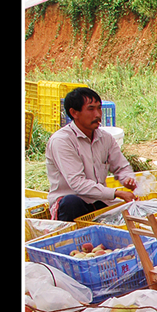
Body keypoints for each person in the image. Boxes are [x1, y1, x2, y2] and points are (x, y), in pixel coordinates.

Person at [45, 86, 137, 221]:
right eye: (91, 109)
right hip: (71, 203)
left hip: (98, 200)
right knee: (71, 203)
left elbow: (121, 167)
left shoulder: (105, 138)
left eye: (99, 108)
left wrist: (127, 178)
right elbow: (77, 184)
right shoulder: (62, 141)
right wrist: (116, 193)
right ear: (74, 113)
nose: (98, 114)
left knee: (126, 213)